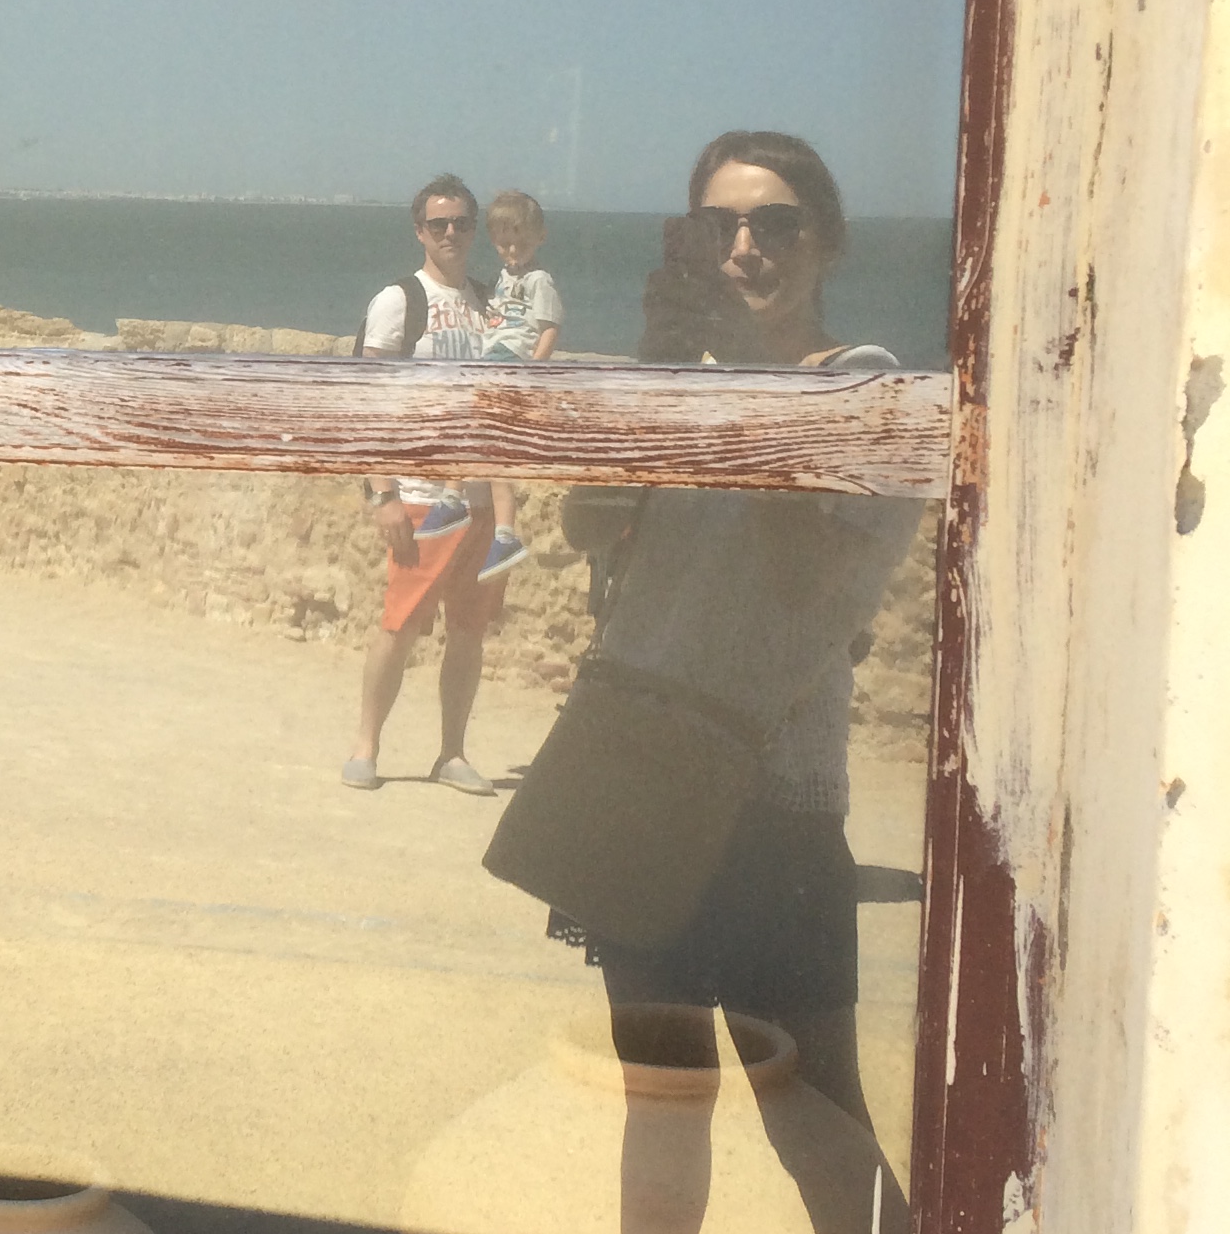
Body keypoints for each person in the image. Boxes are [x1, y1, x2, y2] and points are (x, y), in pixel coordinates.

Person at [483, 130, 917, 1122]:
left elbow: (805, 582)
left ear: (828, 240)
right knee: (660, 1113)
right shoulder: (690, 380)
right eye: (719, 228)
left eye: (776, 225)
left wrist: (731, 387)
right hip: (638, 779)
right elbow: (588, 524)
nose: (745, 249)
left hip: (777, 801)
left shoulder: (868, 388)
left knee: (819, 1119)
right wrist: (660, 374)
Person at [342, 173, 511, 796]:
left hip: (479, 498)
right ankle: (365, 746)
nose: (450, 233)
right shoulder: (399, 301)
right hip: (419, 496)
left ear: (475, 229)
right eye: (438, 223)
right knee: (401, 625)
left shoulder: (490, 301)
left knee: (468, 631)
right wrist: (380, 493)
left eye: (461, 222)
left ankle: (452, 753)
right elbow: (366, 402)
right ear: (419, 231)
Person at [478, 186, 563, 579]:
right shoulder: (504, 278)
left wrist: (533, 371)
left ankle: (500, 530)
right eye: (504, 244)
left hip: (512, 364)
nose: (512, 251)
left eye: (520, 243)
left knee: (484, 443)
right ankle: (500, 532)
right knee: (488, 449)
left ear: (539, 237)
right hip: (492, 360)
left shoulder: (539, 280)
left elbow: (549, 328)